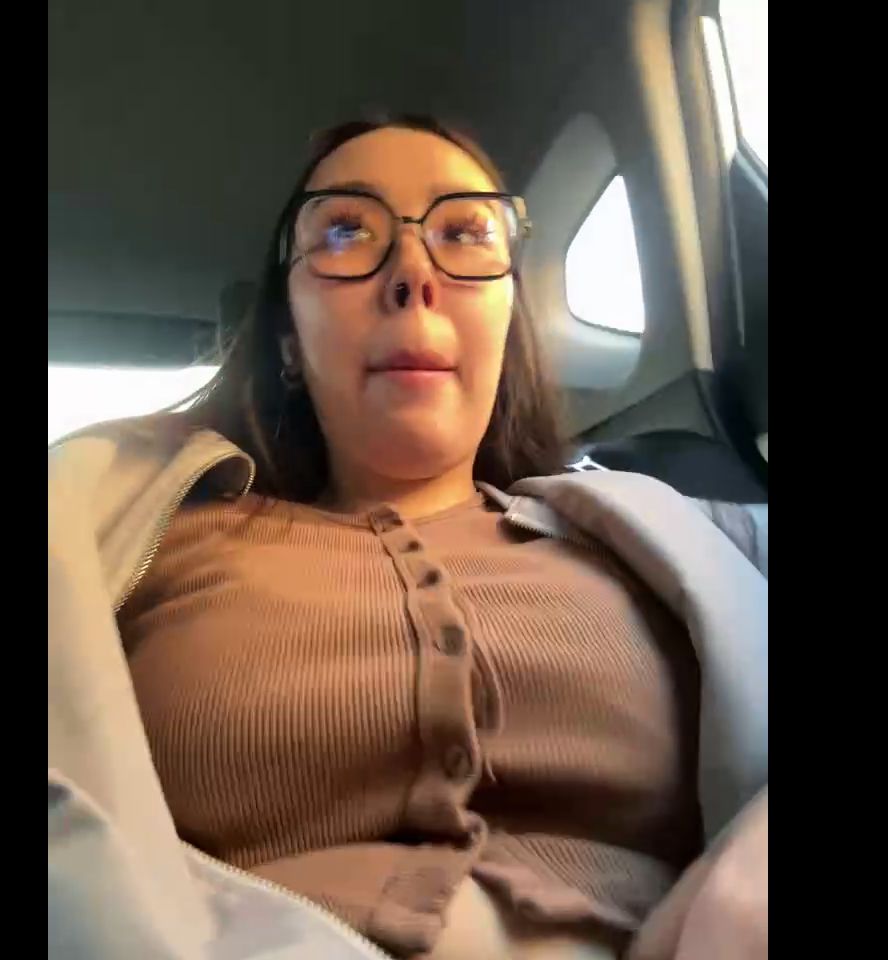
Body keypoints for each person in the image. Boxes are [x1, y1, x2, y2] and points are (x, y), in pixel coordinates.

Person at [47, 116, 767, 960]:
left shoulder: (668, 532)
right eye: (346, 231)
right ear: (287, 340)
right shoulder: (141, 541)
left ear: (507, 320)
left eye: (465, 232)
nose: (414, 274)